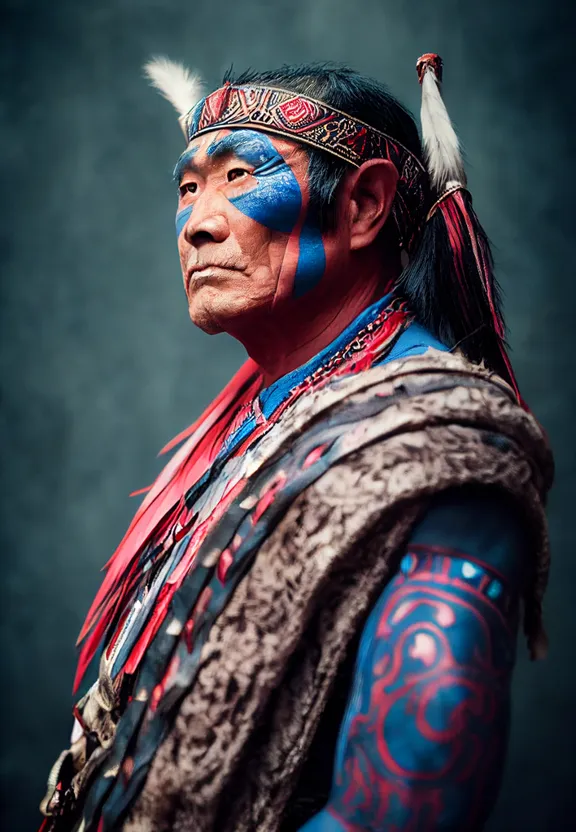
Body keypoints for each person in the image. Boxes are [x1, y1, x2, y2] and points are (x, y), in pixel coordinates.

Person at [40, 54, 553, 832]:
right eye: (188, 188)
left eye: (240, 177)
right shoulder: (257, 418)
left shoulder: (439, 450)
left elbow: (400, 815)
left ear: (363, 207)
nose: (198, 221)